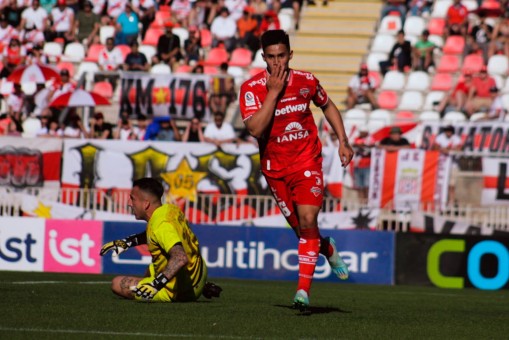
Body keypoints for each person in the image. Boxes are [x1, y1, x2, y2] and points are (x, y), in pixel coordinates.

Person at [238, 30, 353, 311]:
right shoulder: (251, 89)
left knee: (308, 217)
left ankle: (303, 292)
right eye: (271, 57)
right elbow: (255, 129)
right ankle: (326, 248)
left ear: (290, 54)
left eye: (282, 56)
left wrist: (343, 141)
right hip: (275, 169)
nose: (277, 62)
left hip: (307, 161)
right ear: (263, 57)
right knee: (303, 230)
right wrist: (274, 92)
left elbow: (327, 105)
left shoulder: (306, 81)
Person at [100, 177, 222, 302]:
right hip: (198, 274)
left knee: (116, 283)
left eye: (132, 199)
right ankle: (202, 286)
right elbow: (156, 235)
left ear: (146, 203)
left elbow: (180, 258)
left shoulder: (161, 226)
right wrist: (127, 242)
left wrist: (155, 285)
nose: (129, 203)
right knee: (152, 267)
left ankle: (180, 290)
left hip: (180, 291)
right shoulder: (170, 210)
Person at [432, 125, 462, 204]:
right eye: (447, 131)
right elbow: (435, 147)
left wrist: (445, 149)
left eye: (450, 131)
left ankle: (451, 201)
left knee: (451, 185)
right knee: (440, 184)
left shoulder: (456, 139)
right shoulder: (440, 138)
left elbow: (458, 149)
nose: (448, 133)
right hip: (441, 165)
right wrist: (444, 149)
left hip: (453, 165)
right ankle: (440, 201)